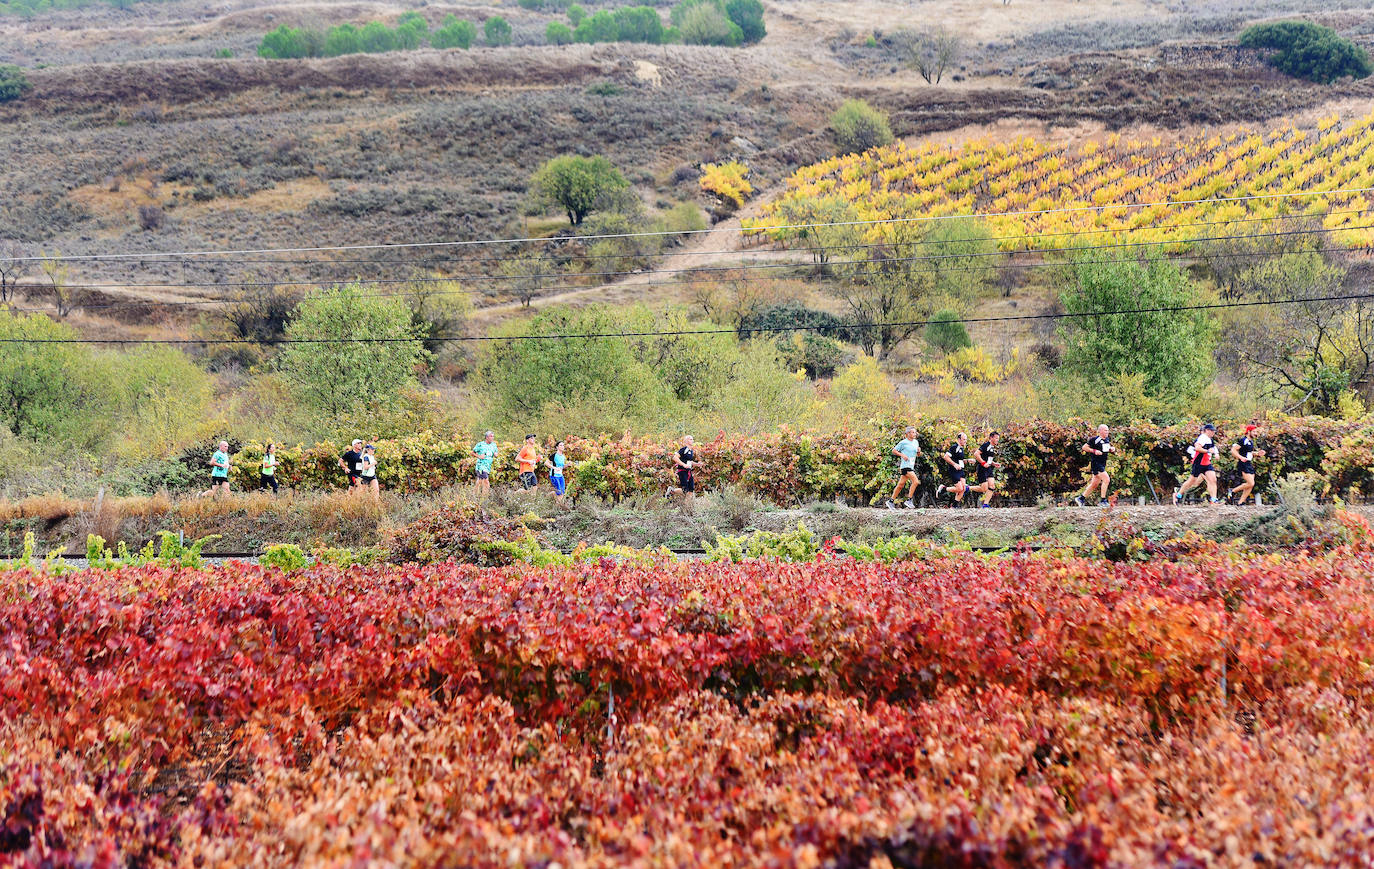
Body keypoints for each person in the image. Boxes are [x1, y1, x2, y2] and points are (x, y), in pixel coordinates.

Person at [1174, 423, 1221, 505]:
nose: (1213, 432)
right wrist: (1207, 451)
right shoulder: (1202, 438)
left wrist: (1216, 454)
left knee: (1213, 480)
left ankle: (1214, 500)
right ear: (1206, 431)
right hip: (1199, 463)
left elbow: (1213, 447)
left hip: (1207, 463)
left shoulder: (1210, 439)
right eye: (1212, 431)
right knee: (1191, 481)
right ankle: (1178, 495)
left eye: (1214, 431)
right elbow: (1197, 448)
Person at [1073, 424, 1113, 507]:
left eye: (1108, 430)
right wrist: (1094, 451)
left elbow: (1106, 449)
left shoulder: (1107, 440)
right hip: (1096, 463)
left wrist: (1112, 449)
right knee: (1106, 479)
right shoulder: (1094, 439)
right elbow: (1084, 447)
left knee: (1094, 484)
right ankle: (1103, 501)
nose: (1107, 432)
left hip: (1102, 463)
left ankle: (1081, 498)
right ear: (1100, 431)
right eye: (1105, 430)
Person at [1228, 423, 1267, 505]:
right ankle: (1232, 491)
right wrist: (1240, 457)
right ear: (1249, 431)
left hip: (1249, 463)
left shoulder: (1250, 441)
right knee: (1250, 483)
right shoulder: (1243, 440)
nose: (1256, 433)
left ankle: (1241, 502)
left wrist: (1257, 453)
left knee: (1250, 485)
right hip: (1243, 463)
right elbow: (1233, 450)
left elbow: (1248, 452)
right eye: (1254, 431)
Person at [885, 426, 921, 510]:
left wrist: (919, 452)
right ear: (908, 434)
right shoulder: (903, 442)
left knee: (900, 485)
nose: (915, 434)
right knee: (915, 481)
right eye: (913, 432)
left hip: (911, 465)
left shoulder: (916, 442)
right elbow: (894, 450)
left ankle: (890, 501)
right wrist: (902, 455)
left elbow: (917, 455)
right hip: (905, 466)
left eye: (915, 432)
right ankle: (909, 500)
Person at [966, 431, 1002, 508]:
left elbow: (987, 459)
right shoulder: (986, 445)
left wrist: (994, 463)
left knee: (992, 486)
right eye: (996, 438)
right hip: (982, 468)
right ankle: (968, 488)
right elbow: (976, 454)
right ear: (991, 438)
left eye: (998, 439)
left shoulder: (992, 447)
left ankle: (985, 504)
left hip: (988, 468)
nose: (997, 440)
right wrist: (983, 463)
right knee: (984, 488)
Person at [666, 435, 701, 511]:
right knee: (685, 490)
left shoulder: (691, 451)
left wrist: (696, 464)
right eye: (691, 439)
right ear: (687, 441)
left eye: (693, 439)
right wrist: (683, 465)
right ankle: (672, 491)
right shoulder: (683, 449)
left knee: (691, 491)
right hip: (682, 471)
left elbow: (689, 461)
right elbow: (675, 457)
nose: (693, 441)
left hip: (689, 471)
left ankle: (686, 509)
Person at [935, 432, 969, 506]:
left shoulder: (961, 448)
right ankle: (944, 489)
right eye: (963, 439)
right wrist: (954, 464)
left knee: (964, 488)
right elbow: (946, 457)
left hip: (961, 470)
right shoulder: (954, 447)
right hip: (954, 470)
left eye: (966, 440)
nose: (965, 441)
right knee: (959, 488)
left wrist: (968, 460)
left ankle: (955, 506)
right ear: (959, 439)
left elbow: (959, 460)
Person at [472, 431, 498, 495]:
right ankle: (485, 496)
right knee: (486, 481)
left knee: (480, 481)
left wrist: (495, 454)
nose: (492, 438)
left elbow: (496, 454)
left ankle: (474, 494)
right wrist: (479, 456)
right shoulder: (480, 444)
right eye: (491, 436)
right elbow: (472, 453)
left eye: (493, 436)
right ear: (486, 437)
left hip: (488, 466)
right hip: (481, 466)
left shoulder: (494, 445)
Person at [547, 440, 569, 507]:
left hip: (560, 475)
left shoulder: (563, 456)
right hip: (554, 476)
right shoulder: (554, 455)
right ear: (557, 447)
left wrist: (567, 465)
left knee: (562, 491)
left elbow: (561, 467)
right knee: (559, 492)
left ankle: (557, 503)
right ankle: (558, 506)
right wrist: (554, 468)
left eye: (563, 445)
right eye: (561, 445)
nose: (562, 446)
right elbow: (546, 463)